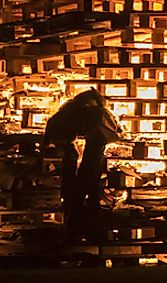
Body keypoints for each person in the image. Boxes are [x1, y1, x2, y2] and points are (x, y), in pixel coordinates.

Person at [43, 88, 122, 240]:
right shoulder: (95, 113)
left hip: (69, 145)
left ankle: (76, 223)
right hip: (81, 147)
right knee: (85, 184)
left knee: (78, 186)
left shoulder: (71, 108)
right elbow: (112, 130)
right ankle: (85, 226)